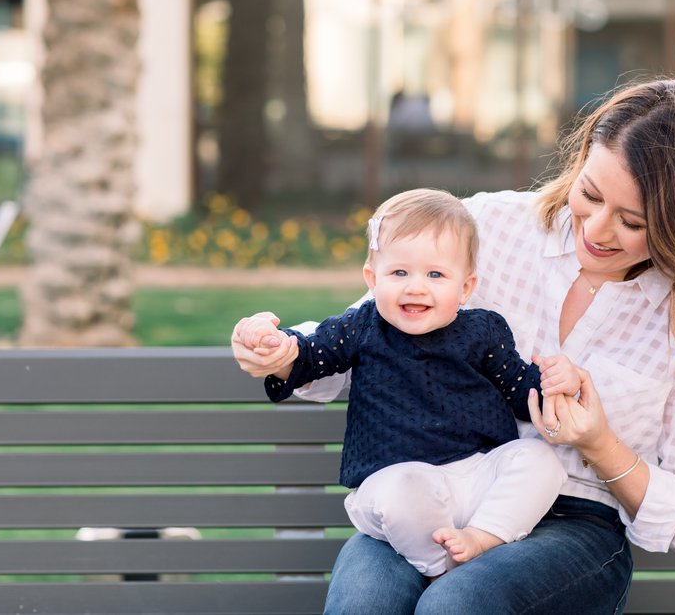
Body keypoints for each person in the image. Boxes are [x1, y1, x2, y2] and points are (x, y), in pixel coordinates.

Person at [232, 77, 675, 614]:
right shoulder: (489, 226)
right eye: (590, 194)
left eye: (632, 222)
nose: (598, 230)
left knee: (457, 602)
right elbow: (363, 332)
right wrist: (284, 351)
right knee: (365, 601)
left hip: (577, 526)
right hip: (435, 489)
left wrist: (600, 444)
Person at [233, 188, 573, 578]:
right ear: (372, 278)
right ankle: (440, 570)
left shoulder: (483, 331)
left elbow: (520, 390)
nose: (415, 287)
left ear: (465, 287)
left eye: (435, 274)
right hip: (396, 480)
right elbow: (313, 354)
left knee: (539, 460)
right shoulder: (363, 327)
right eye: (399, 273)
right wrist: (278, 346)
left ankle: (483, 536)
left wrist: (553, 383)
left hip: (475, 477)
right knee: (405, 490)